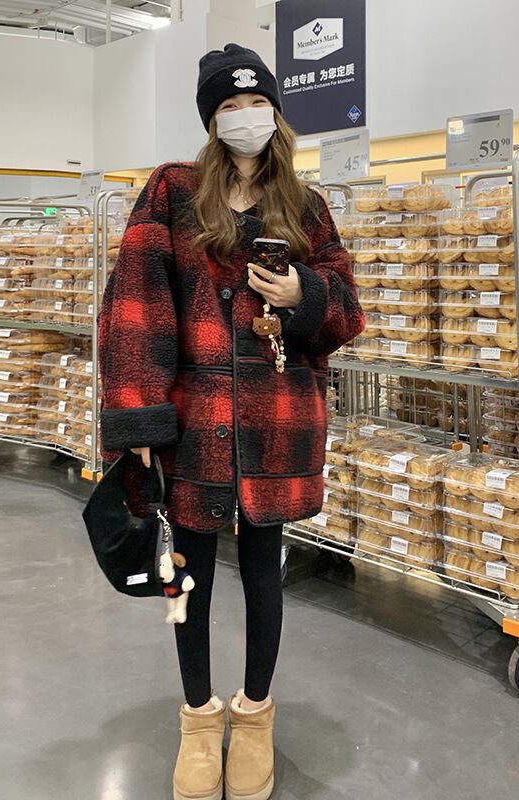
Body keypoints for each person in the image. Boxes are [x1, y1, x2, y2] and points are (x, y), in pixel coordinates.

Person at [98, 43, 364, 800]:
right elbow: (135, 310)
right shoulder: (173, 191)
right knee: (185, 575)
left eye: (256, 104)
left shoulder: (306, 206)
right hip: (195, 418)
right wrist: (138, 421)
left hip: (278, 417)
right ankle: (197, 718)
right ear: (211, 120)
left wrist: (303, 296)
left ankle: (254, 716)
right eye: (228, 106)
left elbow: (347, 312)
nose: (244, 117)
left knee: (263, 570)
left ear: (275, 112)